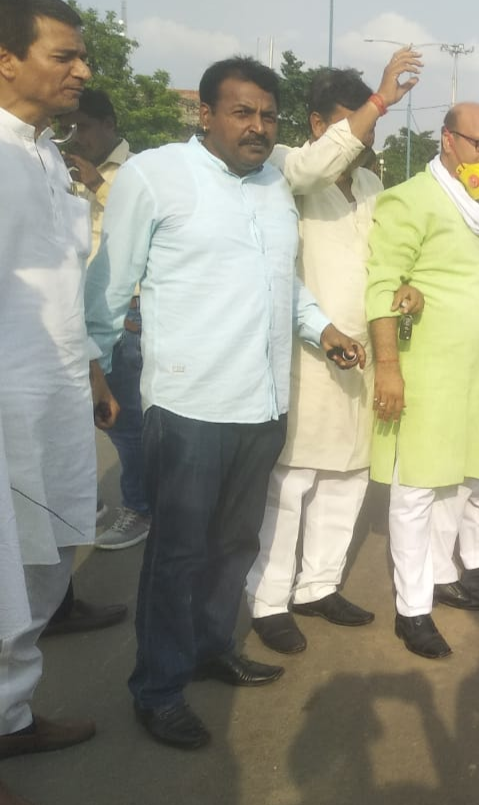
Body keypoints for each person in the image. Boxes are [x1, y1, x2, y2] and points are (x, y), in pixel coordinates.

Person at [86, 56, 364, 750]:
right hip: (188, 405)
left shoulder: (274, 183)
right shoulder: (155, 177)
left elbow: (283, 282)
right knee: (177, 554)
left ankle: (212, 647)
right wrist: (90, 367)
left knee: (234, 543)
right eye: (242, 112)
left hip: (262, 402)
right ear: (205, 115)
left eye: (268, 115)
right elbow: (109, 284)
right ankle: (157, 687)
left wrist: (320, 324)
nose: (258, 127)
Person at [245, 51, 422, 656]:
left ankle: (317, 585)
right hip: (307, 348)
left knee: (348, 474)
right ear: (320, 125)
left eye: (372, 130)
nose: (367, 140)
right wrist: (379, 100)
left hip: (365, 349)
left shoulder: (372, 183)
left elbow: (386, 256)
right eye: (358, 127)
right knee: (292, 480)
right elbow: (285, 262)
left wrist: (404, 283)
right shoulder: (283, 169)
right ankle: (268, 598)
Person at [365, 101, 479, 657]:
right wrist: (387, 368)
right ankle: (412, 611)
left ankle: (436, 577)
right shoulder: (410, 199)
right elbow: (383, 286)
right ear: (447, 140)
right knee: (415, 490)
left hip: (474, 375)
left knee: (457, 483)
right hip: (424, 374)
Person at [0, 0, 103, 763]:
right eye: (63, 55)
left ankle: (11, 714)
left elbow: (61, 279)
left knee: (45, 563)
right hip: (9, 402)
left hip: (58, 389)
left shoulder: (40, 152)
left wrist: (93, 370)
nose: (82, 69)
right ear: (6, 62)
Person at [57, 90, 150, 553]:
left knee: (124, 418)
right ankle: (83, 502)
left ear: (110, 125)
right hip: (71, 308)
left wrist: (96, 184)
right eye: (69, 127)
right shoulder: (59, 166)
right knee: (72, 413)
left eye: (84, 127)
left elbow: (148, 224)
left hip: (122, 311)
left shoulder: (137, 171)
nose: (76, 137)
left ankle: (140, 508)